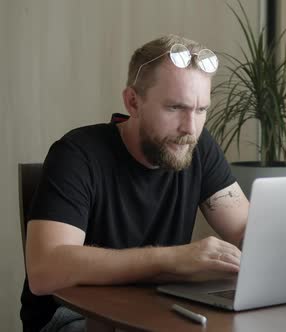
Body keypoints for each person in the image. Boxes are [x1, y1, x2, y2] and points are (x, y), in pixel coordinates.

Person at [20, 34, 249, 332]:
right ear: (133, 101)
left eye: (201, 110)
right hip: (73, 316)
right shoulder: (77, 153)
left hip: (157, 310)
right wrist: (173, 259)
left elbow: (245, 228)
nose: (190, 128)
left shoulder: (198, 146)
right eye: (175, 108)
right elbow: (44, 270)